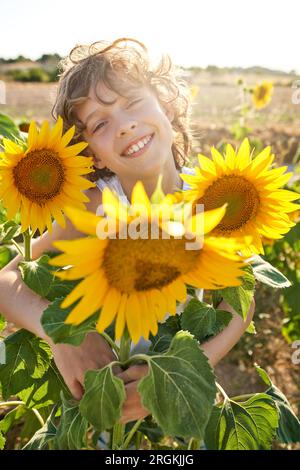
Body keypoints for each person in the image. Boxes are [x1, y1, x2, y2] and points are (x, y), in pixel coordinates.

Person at [0, 38, 255, 425]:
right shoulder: (95, 206)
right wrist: (62, 336)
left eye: (133, 103)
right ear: (93, 154)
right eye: (101, 123)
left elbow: (241, 301)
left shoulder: (211, 199)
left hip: (168, 391)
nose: (125, 125)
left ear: (167, 108)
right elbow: (6, 280)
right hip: (103, 381)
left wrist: (185, 372)